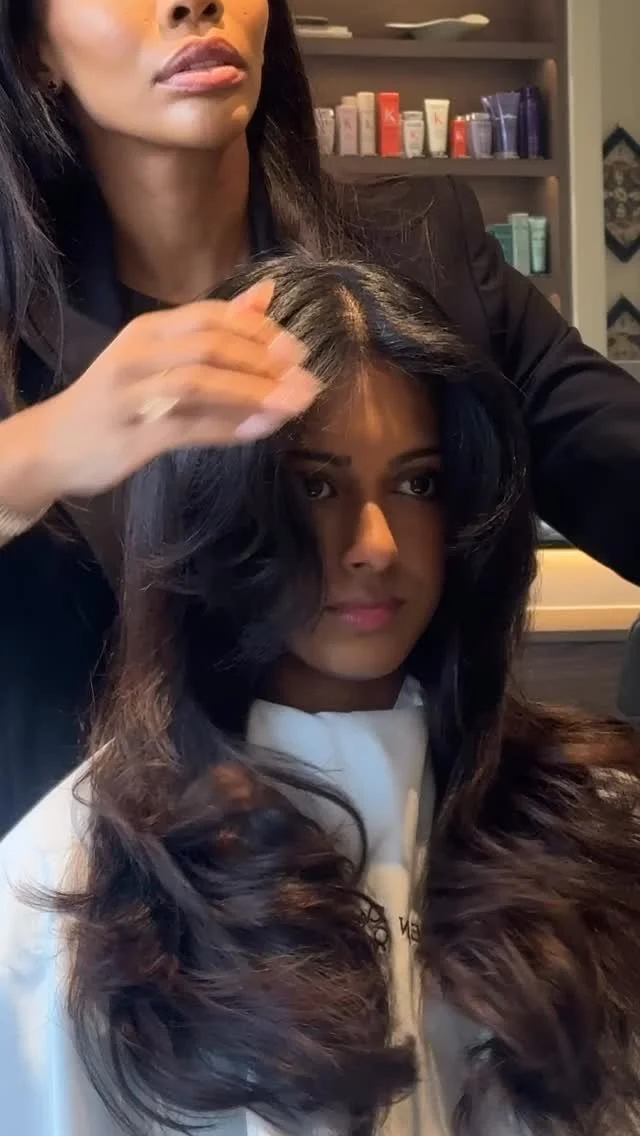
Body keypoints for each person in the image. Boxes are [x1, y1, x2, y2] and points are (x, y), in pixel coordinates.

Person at [2, 253, 640, 1136]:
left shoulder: (592, 829)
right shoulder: (75, 889)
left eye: (417, 483)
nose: (374, 542)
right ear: (217, 507)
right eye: (314, 485)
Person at [1, 0, 640, 837]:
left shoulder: (424, 256)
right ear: (35, 49)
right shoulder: (15, 324)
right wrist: (41, 450)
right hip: (93, 892)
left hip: (422, 881)